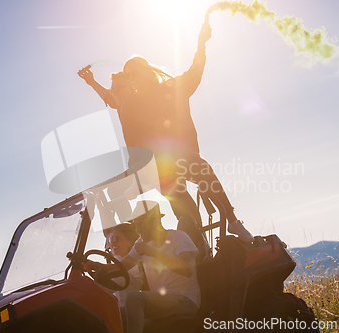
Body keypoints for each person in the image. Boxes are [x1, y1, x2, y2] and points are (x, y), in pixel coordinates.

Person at [120, 19, 253, 241]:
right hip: (159, 170)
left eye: (135, 72)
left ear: (146, 71)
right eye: (128, 75)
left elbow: (195, 71)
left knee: (199, 166)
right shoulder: (129, 107)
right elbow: (133, 145)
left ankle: (232, 221)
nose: (132, 78)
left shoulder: (171, 88)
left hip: (185, 157)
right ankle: (198, 250)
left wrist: (201, 44)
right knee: (185, 214)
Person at [78, 67, 204, 229]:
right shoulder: (122, 103)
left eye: (118, 88)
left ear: (132, 87)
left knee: (174, 192)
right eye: (113, 88)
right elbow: (109, 97)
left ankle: (195, 232)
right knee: (116, 191)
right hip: (140, 164)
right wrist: (92, 81)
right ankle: (130, 232)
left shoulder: (144, 103)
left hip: (160, 161)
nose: (114, 92)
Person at [86, 200, 201, 333]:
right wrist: (96, 265)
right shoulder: (141, 243)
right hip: (161, 302)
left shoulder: (178, 237)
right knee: (110, 314)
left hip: (186, 301)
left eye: (141, 225)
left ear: (155, 221)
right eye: (136, 225)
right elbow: (121, 268)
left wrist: (153, 252)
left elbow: (187, 269)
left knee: (134, 298)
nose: (138, 230)